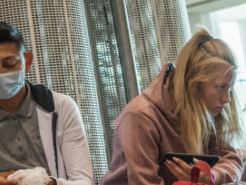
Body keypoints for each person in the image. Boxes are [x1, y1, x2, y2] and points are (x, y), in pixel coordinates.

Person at [0, 22, 93, 185]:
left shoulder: (61, 108)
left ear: (28, 60)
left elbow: (83, 181)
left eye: (9, 64)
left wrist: (49, 183)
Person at [101, 30, 244, 184]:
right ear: (193, 82)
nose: (227, 99)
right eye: (221, 87)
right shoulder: (140, 116)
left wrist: (211, 177)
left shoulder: (208, 110)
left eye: (230, 88)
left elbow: (231, 159)